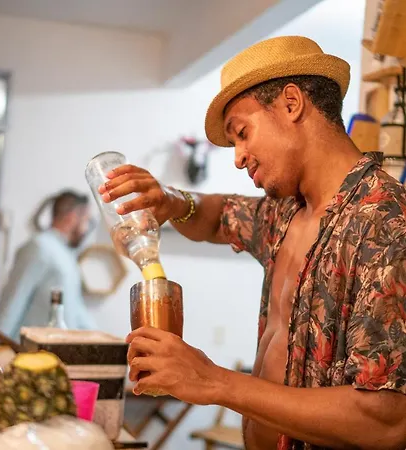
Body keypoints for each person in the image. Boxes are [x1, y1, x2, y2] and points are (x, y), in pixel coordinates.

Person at [99, 36, 406, 449]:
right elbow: (217, 216)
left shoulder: (384, 221)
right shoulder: (286, 213)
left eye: (242, 133)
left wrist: (213, 381)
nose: (238, 157)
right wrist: (170, 200)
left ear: (291, 104)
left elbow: (386, 420)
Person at [0, 190, 97, 339]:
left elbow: (76, 310)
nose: (86, 229)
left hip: (58, 347)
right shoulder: (39, 247)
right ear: (72, 217)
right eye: (86, 220)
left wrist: (104, 341)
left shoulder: (66, 255)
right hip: (30, 349)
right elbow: (13, 301)